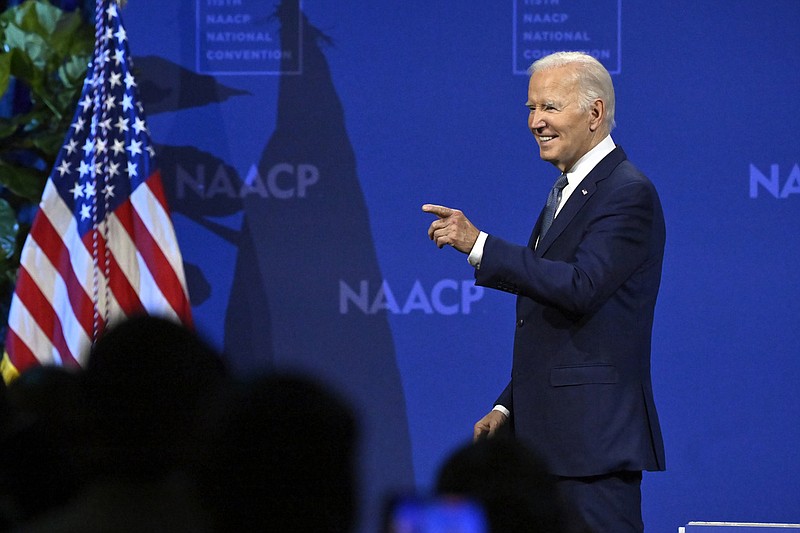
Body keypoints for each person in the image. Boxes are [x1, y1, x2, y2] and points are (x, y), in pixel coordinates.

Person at [422, 51, 666, 532]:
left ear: (594, 114)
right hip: (549, 447)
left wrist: (479, 244)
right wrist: (508, 406)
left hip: (591, 449)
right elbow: (558, 324)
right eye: (531, 109)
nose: (536, 122)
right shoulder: (567, 190)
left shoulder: (627, 192)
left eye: (549, 108)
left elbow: (581, 287)